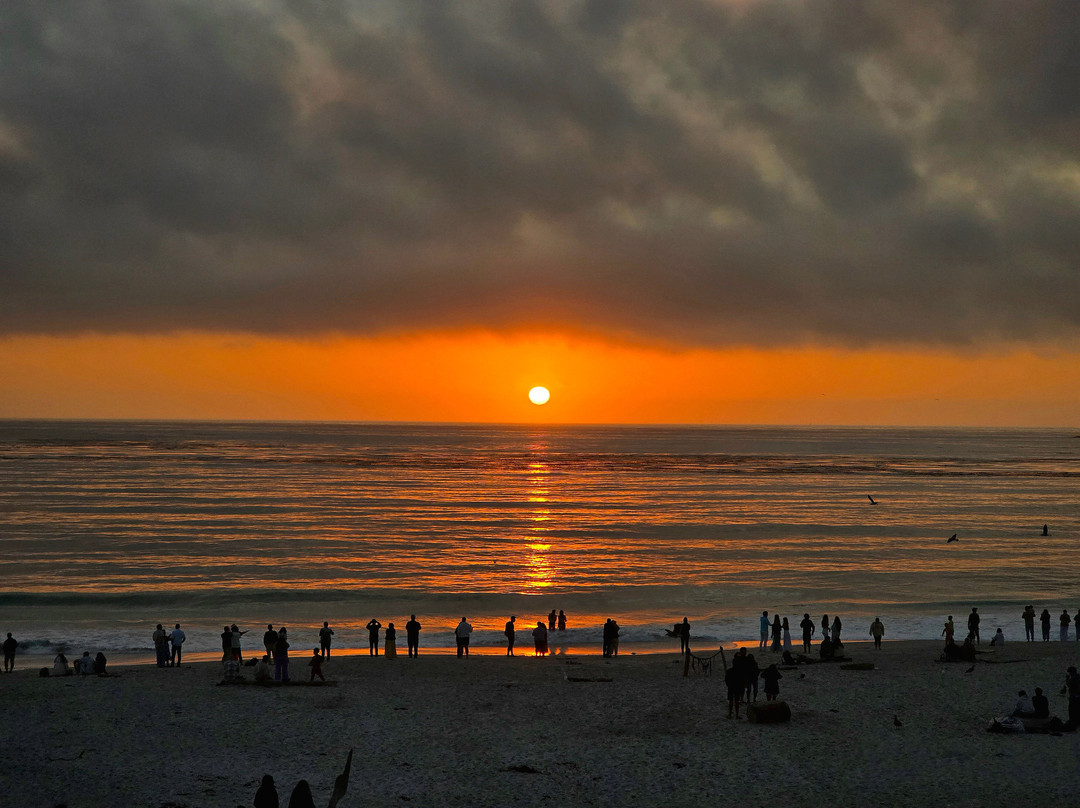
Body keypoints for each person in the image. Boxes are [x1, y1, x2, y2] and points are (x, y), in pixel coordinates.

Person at [726, 648, 746, 718]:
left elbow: (726, 680)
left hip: (731, 687)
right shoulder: (740, 672)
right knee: (736, 701)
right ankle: (736, 715)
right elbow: (742, 680)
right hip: (737, 686)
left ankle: (730, 714)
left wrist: (728, 685)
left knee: (731, 701)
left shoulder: (729, 671)